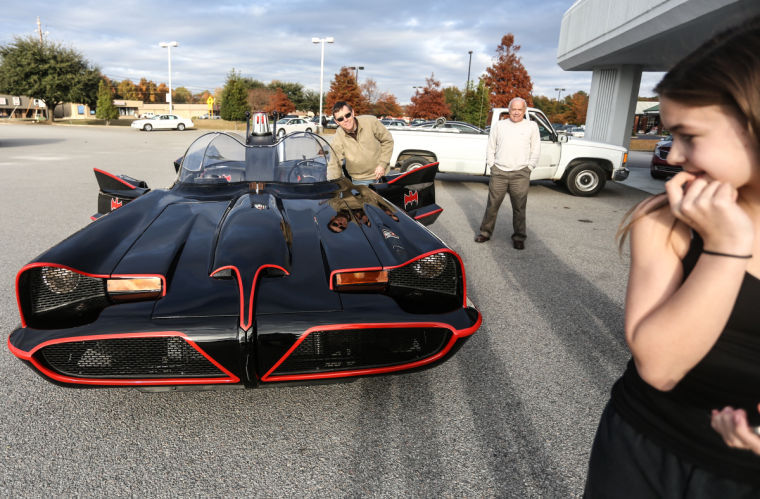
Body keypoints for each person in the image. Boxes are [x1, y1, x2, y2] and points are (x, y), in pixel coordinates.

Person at [585, 16, 760, 497]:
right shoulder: (663, 219)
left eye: (690, 135)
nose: (674, 155)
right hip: (643, 449)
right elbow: (659, 367)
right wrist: (726, 248)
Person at [474, 97, 540, 250]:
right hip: (499, 172)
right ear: (509, 110)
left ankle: (519, 237)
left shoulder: (532, 126)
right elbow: (491, 146)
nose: (516, 112)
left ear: (524, 111)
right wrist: (492, 164)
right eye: (513, 109)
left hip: (521, 173)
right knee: (492, 205)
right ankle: (485, 232)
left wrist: (529, 167)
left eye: (519, 110)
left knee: (519, 207)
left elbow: (535, 148)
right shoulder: (499, 126)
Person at [326, 101, 394, 185]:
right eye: (340, 119)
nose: (345, 120)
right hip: (360, 180)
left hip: (382, 174)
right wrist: (334, 185)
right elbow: (334, 163)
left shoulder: (370, 122)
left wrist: (382, 164)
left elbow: (387, 140)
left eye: (347, 115)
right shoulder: (338, 138)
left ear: (353, 113)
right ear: (336, 122)